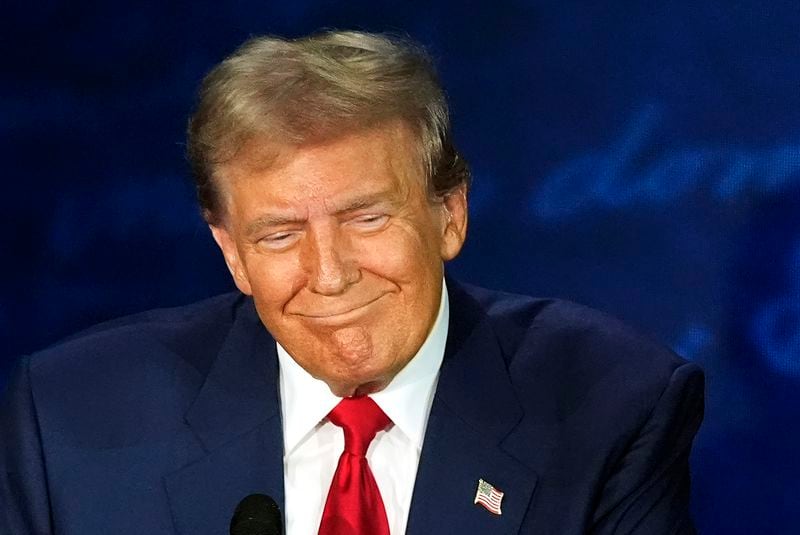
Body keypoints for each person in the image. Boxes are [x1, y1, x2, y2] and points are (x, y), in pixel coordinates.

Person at [0, 30, 704, 534]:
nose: (329, 274)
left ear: (449, 214)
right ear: (230, 252)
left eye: (365, 218)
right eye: (279, 234)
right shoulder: (70, 422)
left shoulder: (609, 407)